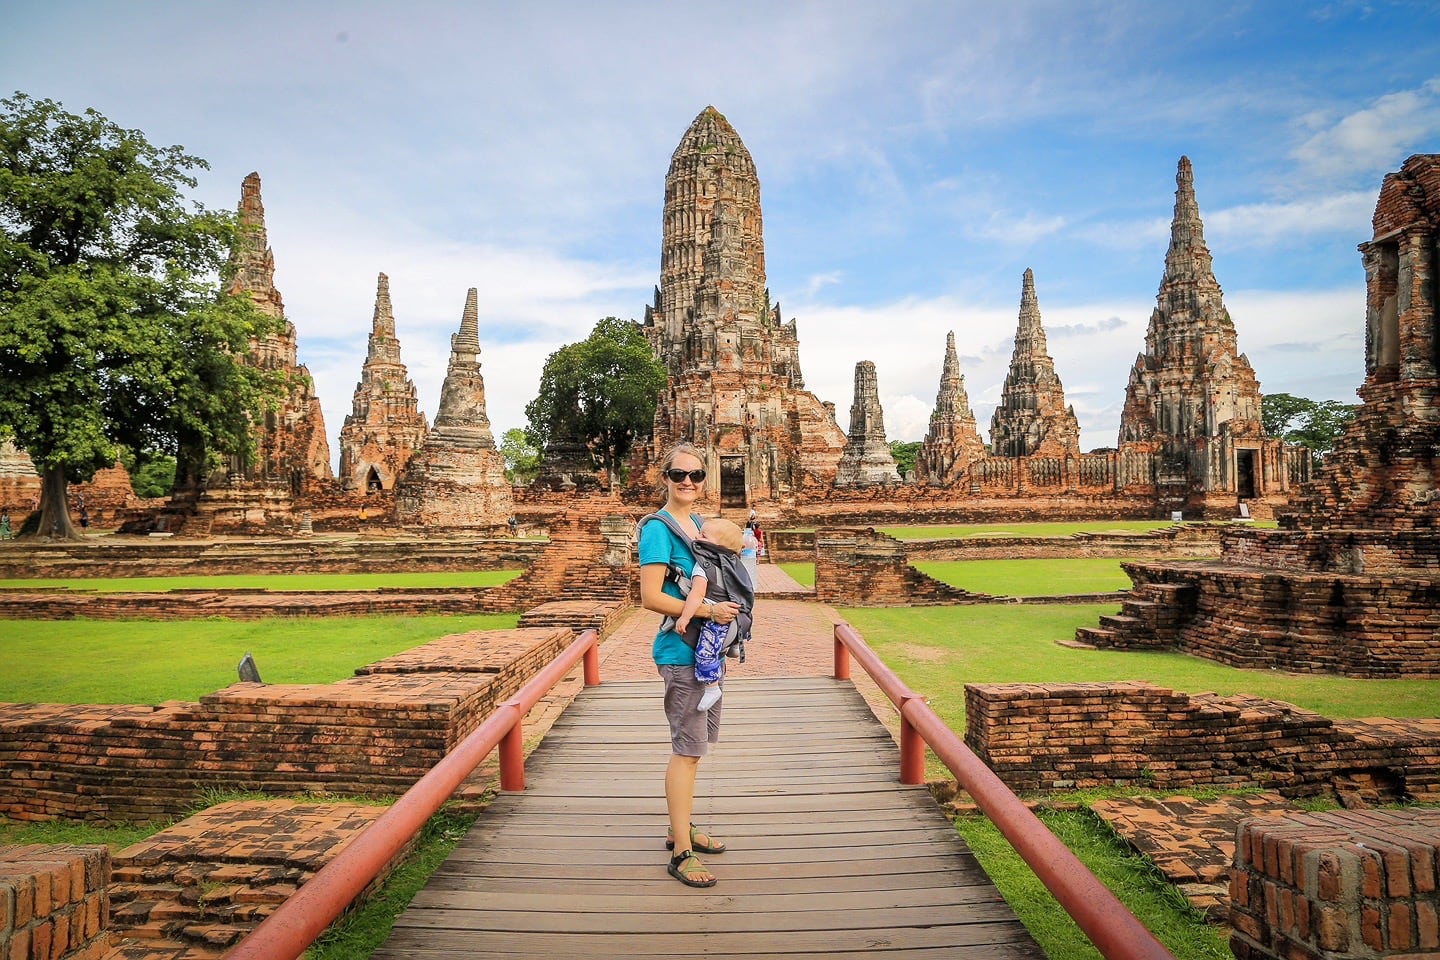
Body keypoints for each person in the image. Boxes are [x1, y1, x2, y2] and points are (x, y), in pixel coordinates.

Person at [638, 442, 740, 889]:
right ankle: (681, 852)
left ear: (704, 480)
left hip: (708, 651)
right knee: (687, 750)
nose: (687, 482)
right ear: (665, 477)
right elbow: (650, 597)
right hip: (681, 652)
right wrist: (707, 612)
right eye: (678, 474)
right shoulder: (659, 529)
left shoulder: (699, 524)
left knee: (697, 749)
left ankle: (679, 827)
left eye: (696, 475)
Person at [673, 517, 747, 712]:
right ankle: (734, 645)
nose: (696, 537)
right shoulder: (734, 563)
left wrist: (685, 617)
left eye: (702, 535)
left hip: (719, 622)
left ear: (717, 546)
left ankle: (712, 687)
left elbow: (696, 595)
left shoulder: (702, 565)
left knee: (704, 653)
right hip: (739, 620)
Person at [740, 523, 759, 592]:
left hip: (748, 558)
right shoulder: (751, 539)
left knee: (749, 573)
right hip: (747, 558)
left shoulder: (748, 539)